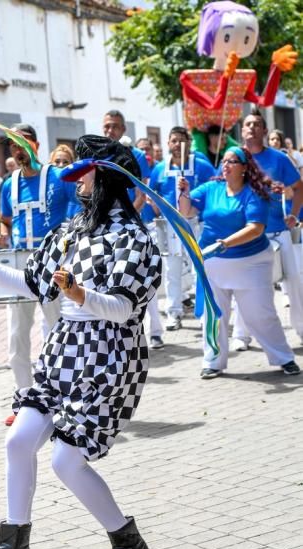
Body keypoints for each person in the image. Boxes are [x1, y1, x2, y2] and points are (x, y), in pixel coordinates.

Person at [0, 135, 162, 549]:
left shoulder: (134, 239)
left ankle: (127, 544)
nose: (77, 183)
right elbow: (38, 284)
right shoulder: (72, 230)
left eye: (86, 174)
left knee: (64, 461)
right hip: (63, 350)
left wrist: (80, 294)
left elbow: (123, 309)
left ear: (109, 180)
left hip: (108, 357)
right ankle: (12, 546)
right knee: (19, 442)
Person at [178, 146, 300, 378]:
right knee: (214, 316)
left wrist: (226, 243)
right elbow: (186, 211)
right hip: (213, 263)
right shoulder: (211, 188)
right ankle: (212, 361)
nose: (225, 165)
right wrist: (184, 192)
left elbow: (255, 229)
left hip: (251, 263)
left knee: (260, 315)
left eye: (232, 161)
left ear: (244, 167)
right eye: (224, 161)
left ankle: (284, 357)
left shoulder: (255, 193)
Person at [0, 124, 77, 426]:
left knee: (57, 331)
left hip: (51, 265)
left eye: (22, 143)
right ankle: (24, 401)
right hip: (18, 265)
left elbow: (79, 212)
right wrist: (1, 233)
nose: (17, 150)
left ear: (36, 144)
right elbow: (4, 220)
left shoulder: (58, 177)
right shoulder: (9, 184)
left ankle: (64, 399)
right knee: (16, 336)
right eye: (12, 145)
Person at [233, 111, 303, 349]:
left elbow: (299, 187)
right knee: (244, 285)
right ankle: (241, 335)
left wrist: (293, 213)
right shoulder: (234, 157)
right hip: (246, 233)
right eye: (248, 124)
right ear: (242, 131)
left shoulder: (279, 159)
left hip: (277, 230)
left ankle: (302, 329)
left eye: (257, 125)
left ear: (264, 131)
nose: (252, 127)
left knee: (293, 282)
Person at [102, 112, 163, 347]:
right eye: (107, 126)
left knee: (143, 276)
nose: (110, 131)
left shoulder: (136, 156)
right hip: (107, 228)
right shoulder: (99, 155)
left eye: (115, 127)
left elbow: (142, 193)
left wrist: (126, 218)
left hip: (132, 224)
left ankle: (155, 329)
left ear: (123, 129)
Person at [149, 126, 215, 330]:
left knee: (199, 268)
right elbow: (152, 192)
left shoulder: (202, 165)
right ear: (168, 143)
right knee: (172, 270)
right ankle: (174, 313)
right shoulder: (160, 168)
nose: (177, 145)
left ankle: (205, 312)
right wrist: (158, 210)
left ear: (188, 142)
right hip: (170, 226)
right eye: (173, 140)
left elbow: (215, 188)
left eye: (181, 140)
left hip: (196, 223)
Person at [49, 144, 82, 219]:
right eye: (57, 161)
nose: (61, 165)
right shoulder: (45, 191)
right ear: (50, 164)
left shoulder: (78, 192)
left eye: (65, 162)